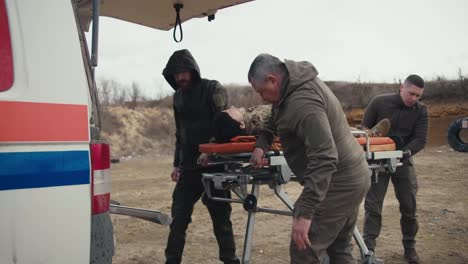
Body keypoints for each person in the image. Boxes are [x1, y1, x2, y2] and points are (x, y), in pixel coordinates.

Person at [247, 53, 371, 263]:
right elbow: (274, 118)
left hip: (338, 181)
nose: (262, 98)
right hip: (350, 176)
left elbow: (325, 158)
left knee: (304, 250)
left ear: (272, 79)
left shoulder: (303, 103)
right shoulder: (289, 89)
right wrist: (261, 145)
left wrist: (305, 212)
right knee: (339, 249)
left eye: (261, 91)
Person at [162, 49, 240, 264]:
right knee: (178, 218)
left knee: (221, 217)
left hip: (214, 164)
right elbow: (180, 132)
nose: (180, 77)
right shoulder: (177, 97)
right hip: (188, 167)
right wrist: (176, 164)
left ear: (193, 70)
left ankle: (230, 260)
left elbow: (224, 124)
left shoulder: (212, 88)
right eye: (176, 74)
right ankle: (172, 260)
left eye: (184, 72)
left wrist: (211, 150)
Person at [362, 74, 428, 264]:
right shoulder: (379, 102)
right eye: (411, 94)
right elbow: (365, 127)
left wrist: (403, 154)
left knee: (409, 207)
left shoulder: (421, 111)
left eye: (418, 96)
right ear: (402, 88)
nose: (414, 99)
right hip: (377, 162)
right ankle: (368, 251)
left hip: (403, 161)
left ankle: (410, 248)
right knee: (373, 207)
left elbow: (420, 139)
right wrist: (371, 138)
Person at [213, 105, 391, 142]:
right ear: (241, 125)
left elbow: (220, 133)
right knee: (334, 125)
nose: (232, 106)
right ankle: (369, 135)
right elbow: (274, 126)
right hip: (304, 122)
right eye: (231, 112)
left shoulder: (244, 120)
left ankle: (361, 130)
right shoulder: (256, 121)